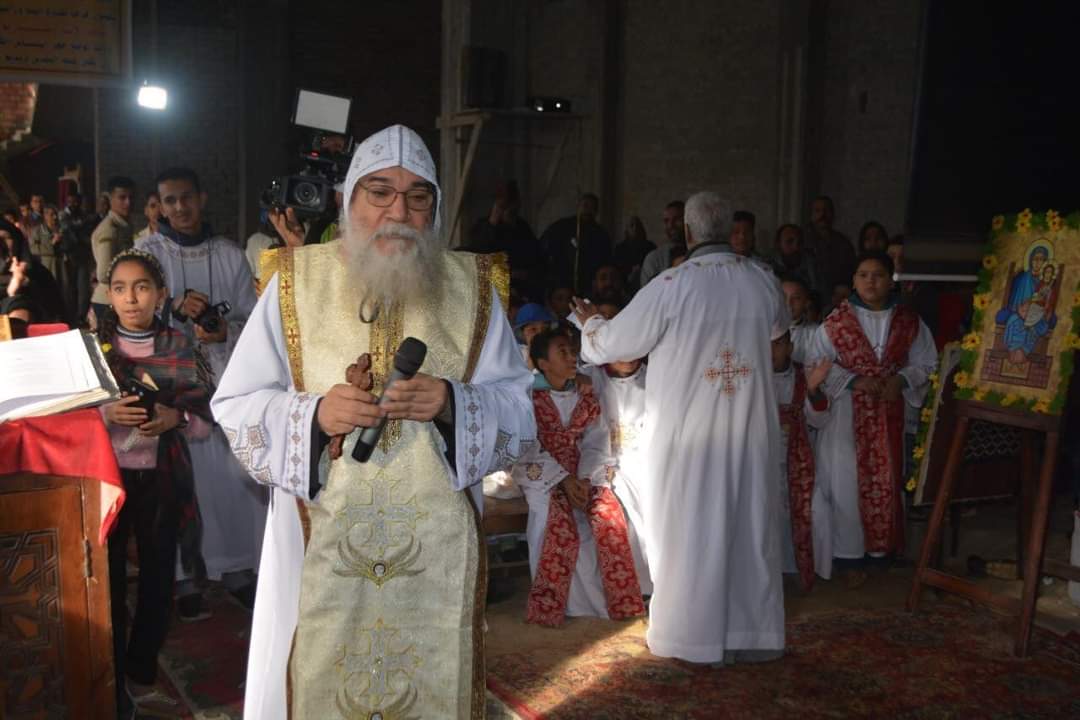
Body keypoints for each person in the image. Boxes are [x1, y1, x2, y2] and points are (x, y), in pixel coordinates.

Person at [210, 124, 535, 719]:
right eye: (380, 192)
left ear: (435, 207)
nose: (398, 213)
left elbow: (519, 409)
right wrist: (314, 414)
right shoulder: (294, 281)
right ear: (349, 198)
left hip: (435, 546)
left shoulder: (473, 288)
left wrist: (452, 402)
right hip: (320, 533)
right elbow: (237, 403)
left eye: (417, 197)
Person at [572, 190, 788, 664]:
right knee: (749, 526)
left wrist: (590, 324)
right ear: (728, 229)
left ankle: (692, 639)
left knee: (691, 530)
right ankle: (751, 635)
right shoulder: (761, 279)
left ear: (688, 232)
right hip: (749, 429)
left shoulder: (671, 285)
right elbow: (779, 338)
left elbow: (612, 345)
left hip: (689, 434)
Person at [137, 166, 265, 619]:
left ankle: (237, 569)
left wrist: (224, 331)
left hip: (225, 376)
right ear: (159, 206)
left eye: (186, 197)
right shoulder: (148, 254)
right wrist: (171, 308)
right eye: (170, 201)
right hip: (172, 380)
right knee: (186, 480)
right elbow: (130, 312)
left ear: (202, 198)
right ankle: (186, 575)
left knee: (231, 477)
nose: (180, 208)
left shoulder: (230, 254)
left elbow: (254, 319)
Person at [97, 248, 213, 718]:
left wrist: (176, 418)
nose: (131, 299)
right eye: (120, 288)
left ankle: (141, 670)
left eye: (142, 287)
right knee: (105, 579)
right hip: (106, 478)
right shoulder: (95, 352)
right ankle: (107, 672)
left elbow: (205, 421)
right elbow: (69, 419)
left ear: (161, 294)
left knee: (158, 574)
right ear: (109, 295)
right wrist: (106, 414)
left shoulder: (180, 347)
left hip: (161, 480)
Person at [810, 252, 936, 584]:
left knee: (887, 479)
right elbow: (816, 363)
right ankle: (848, 558)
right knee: (846, 485)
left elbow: (927, 363)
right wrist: (854, 381)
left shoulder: (909, 321)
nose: (870, 281)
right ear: (853, 280)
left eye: (878, 274)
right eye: (863, 274)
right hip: (845, 416)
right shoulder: (836, 323)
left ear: (890, 280)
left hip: (888, 413)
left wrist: (902, 380)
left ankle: (880, 555)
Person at [513, 329, 644, 624]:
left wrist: (585, 478)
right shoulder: (527, 398)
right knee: (553, 518)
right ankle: (558, 604)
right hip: (543, 475)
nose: (572, 357)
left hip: (583, 471)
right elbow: (526, 446)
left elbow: (596, 440)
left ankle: (609, 602)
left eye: (573, 351)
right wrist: (562, 479)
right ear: (543, 363)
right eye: (562, 352)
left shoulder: (584, 396)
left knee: (609, 516)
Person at [583, 307, 652, 596]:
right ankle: (625, 590)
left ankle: (653, 586)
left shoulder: (657, 376)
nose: (627, 355)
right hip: (602, 462)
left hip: (648, 464)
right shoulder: (589, 378)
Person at [771, 330, 831, 590]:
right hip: (762, 463)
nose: (771, 352)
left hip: (799, 462)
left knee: (818, 511)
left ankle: (807, 571)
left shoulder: (802, 375)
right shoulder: (752, 377)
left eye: (778, 345)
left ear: (790, 346)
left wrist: (813, 389)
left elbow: (820, 419)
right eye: (766, 344)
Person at [467, 179, 543, 293]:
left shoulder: (522, 227)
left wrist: (524, 274)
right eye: (504, 205)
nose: (509, 209)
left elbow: (535, 258)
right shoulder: (483, 227)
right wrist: (492, 222)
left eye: (511, 203)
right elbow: (478, 253)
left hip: (520, 288)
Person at [541, 192, 612, 294]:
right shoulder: (562, 226)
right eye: (585, 205)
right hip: (562, 282)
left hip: (588, 284)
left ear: (596, 211)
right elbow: (546, 246)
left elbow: (605, 260)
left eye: (593, 207)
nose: (588, 210)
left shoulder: (601, 234)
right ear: (579, 206)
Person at [91, 176, 136, 325]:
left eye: (131, 197)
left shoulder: (123, 225)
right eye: (122, 198)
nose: (128, 203)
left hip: (117, 298)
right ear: (110, 199)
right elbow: (104, 273)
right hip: (108, 302)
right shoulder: (110, 230)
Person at [804, 196, 855, 302]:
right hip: (808, 298)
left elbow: (850, 272)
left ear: (833, 214)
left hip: (837, 299)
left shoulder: (843, 243)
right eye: (817, 210)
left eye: (826, 210)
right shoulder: (802, 241)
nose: (822, 215)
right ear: (811, 214)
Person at [58, 192, 95, 326]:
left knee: (83, 288)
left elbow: (87, 235)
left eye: (75, 202)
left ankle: (81, 317)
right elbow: (65, 232)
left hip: (83, 257)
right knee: (69, 288)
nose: (72, 204)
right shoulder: (63, 216)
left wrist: (77, 231)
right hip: (68, 257)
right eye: (70, 202)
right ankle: (70, 316)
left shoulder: (85, 217)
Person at [639, 200, 685, 285]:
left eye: (677, 219)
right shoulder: (654, 259)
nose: (670, 225)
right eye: (666, 221)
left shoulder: (700, 254)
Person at [781, 274, 818, 365]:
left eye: (796, 298)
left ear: (806, 303)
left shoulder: (816, 334)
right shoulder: (763, 329)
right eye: (783, 297)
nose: (788, 303)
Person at [771, 223, 819, 292]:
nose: (796, 247)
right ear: (778, 244)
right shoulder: (769, 268)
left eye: (799, 242)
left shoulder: (811, 265)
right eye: (789, 242)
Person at [612, 215, 655, 288]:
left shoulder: (650, 247)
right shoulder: (620, 249)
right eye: (631, 225)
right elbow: (617, 272)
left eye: (637, 225)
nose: (635, 228)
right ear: (627, 229)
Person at [513, 302, 557, 368]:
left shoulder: (557, 351)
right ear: (522, 334)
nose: (540, 333)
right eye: (533, 329)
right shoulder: (516, 356)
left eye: (545, 328)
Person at [29, 203, 62, 281]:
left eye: (56, 214)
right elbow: (32, 248)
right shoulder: (37, 230)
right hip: (46, 264)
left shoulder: (62, 229)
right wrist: (51, 244)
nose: (55, 217)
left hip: (61, 265)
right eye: (52, 215)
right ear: (45, 216)